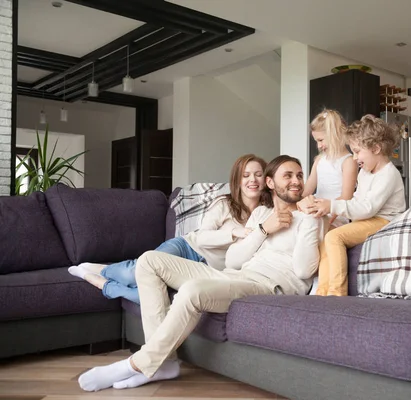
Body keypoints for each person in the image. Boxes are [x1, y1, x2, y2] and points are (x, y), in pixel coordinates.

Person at [77, 155, 325, 392]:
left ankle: (137, 363)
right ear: (271, 183)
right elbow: (233, 259)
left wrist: (309, 218)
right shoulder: (261, 214)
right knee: (149, 261)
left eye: (300, 175)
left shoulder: (310, 218)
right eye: (288, 175)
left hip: (268, 287)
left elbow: (304, 270)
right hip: (235, 275)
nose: (296, 181)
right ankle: (166, 362)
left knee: (192, 290)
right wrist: (263, 230)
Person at [68, 154, 267, 304]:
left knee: (153, 297)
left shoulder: (266, 214)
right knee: (134, 274)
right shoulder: (224, 204)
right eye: (246, 175)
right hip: (187, 248)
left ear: (267, 180)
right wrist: (233, 233)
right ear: (237, 180)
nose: (253, 180)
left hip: (205, 269)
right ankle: (105, 269)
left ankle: (103, 283)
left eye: (258, 175)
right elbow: (202, 237)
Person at [307, 114, 406, 296]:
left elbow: (368, 207)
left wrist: (333, 206)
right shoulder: (366, 173)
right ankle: (322, 291)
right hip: (369, 219)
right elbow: (357, 203)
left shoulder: (388, 174)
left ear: (375, 148)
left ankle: (336, 292)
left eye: (358, 151)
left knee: (335, 238)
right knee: (327, 238)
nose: (354, 158)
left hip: (385, 221)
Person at [299, 109, 358, 228]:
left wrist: (326, 206)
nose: (319, 146)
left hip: (336, 215)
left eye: (320, 140)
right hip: (316, 211)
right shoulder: (319, 160)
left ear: (334, 135)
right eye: (316, 141)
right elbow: (307, 189)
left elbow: (346, 197)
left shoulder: (348, 161)